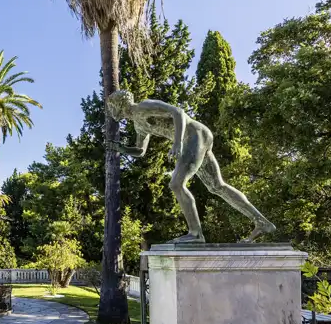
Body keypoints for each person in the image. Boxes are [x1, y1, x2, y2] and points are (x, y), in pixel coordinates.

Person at [106, 90, 275, 244]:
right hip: (197, 136)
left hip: (193, 135)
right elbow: (141, 151)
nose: (111, 110)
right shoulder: (138, 124)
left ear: (120, 104)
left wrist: (177, 142)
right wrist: (122, 149)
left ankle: (195, 234)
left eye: (111, 106)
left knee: (176, 184)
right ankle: (262, 222)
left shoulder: (143, 107)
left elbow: (177, 112)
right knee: (217, 186)